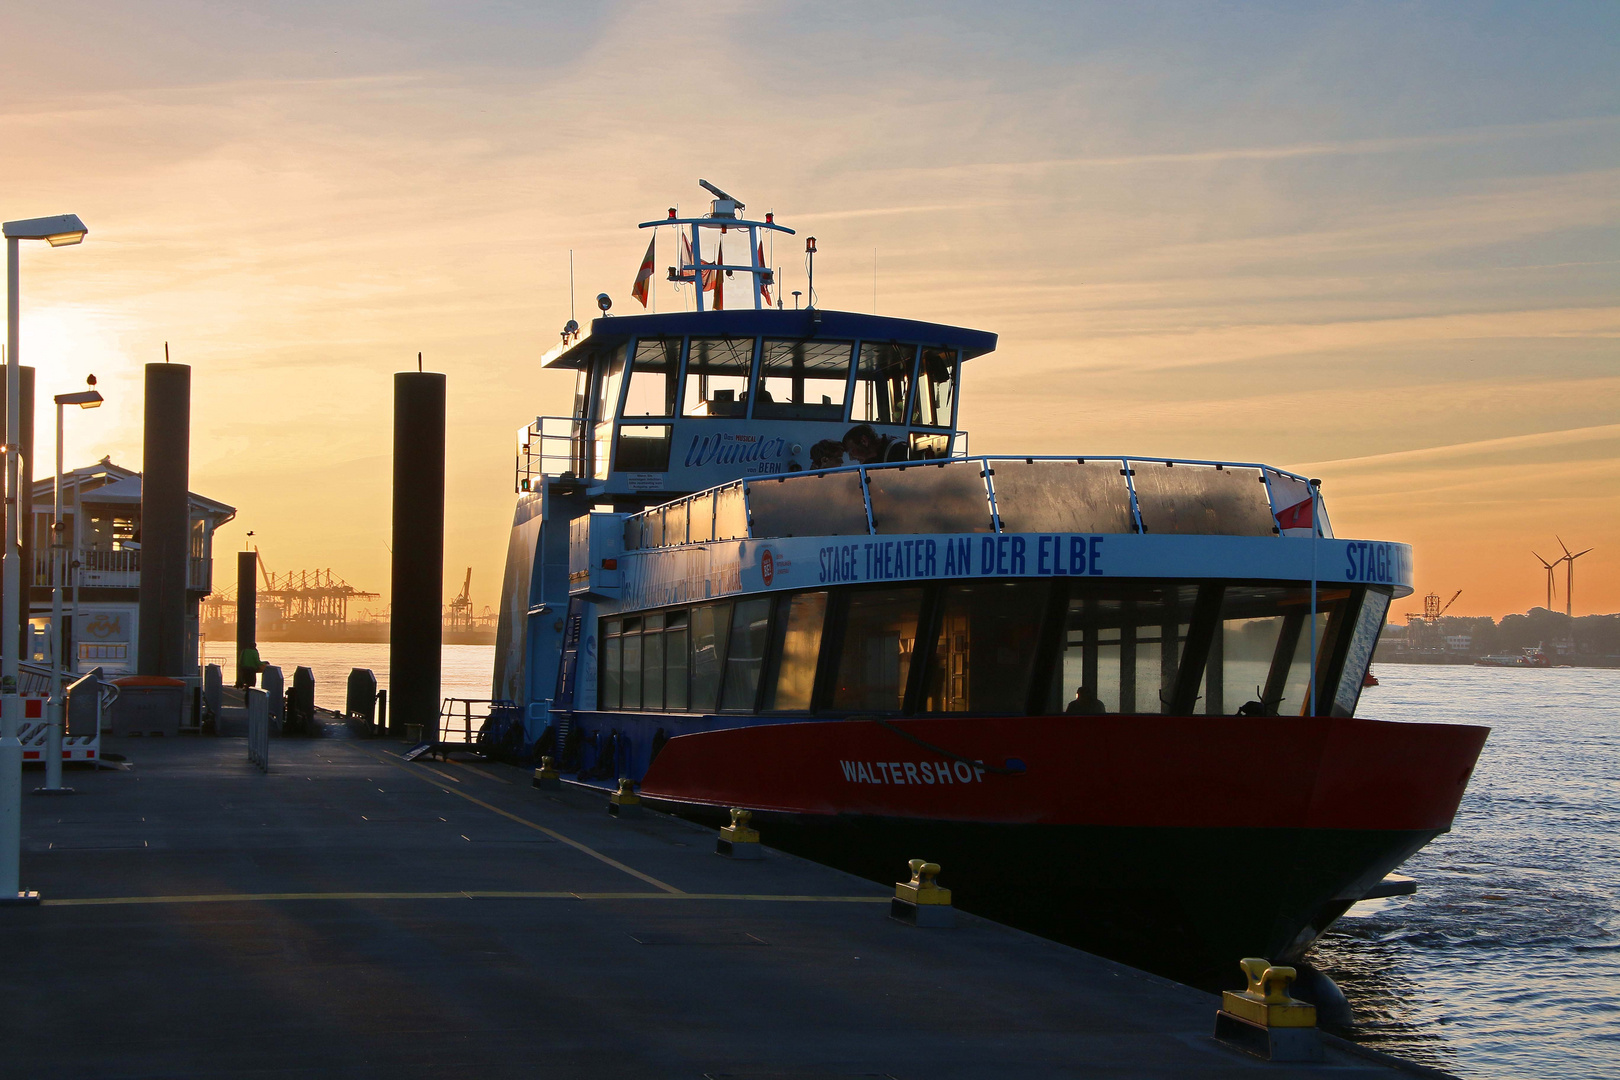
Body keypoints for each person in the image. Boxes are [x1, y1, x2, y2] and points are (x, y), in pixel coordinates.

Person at [842, 424, 909, 465]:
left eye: (851, 451)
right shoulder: (871, 460)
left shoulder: (898, 450)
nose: (851, 458)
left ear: (864, 441)